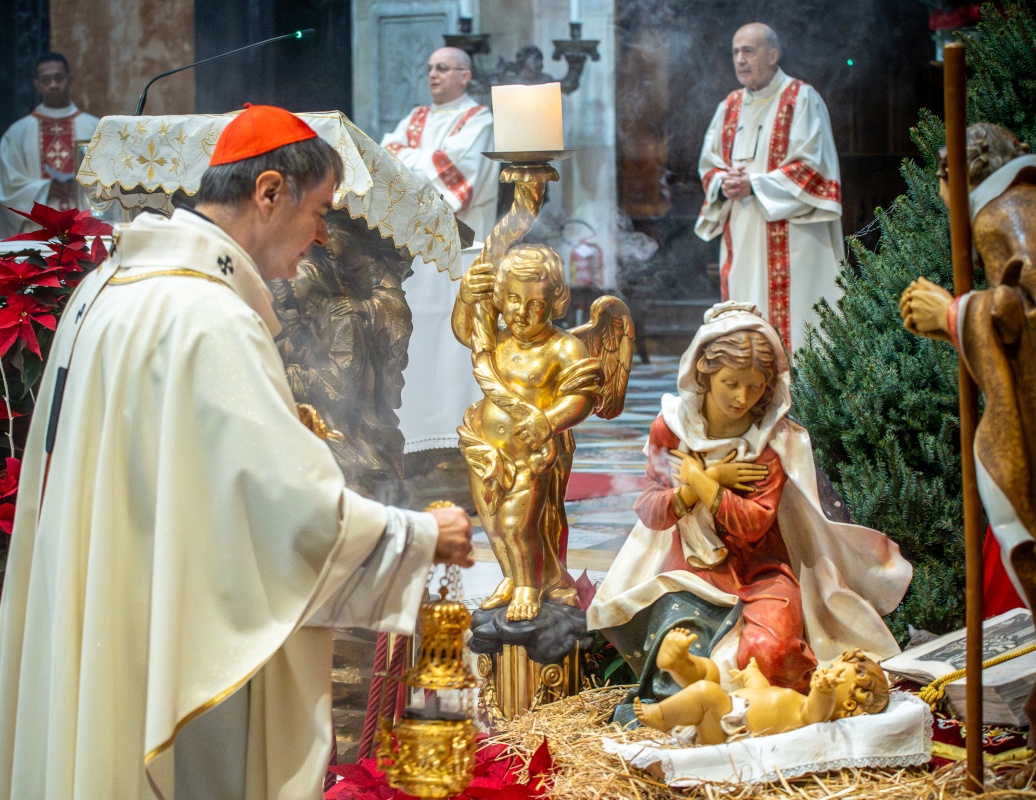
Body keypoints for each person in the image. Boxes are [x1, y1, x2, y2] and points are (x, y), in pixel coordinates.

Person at [0, 104, 474, 800]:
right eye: (318, 212)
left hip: (114, 607)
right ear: (270, 192)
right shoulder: (208, 316)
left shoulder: (106, 291)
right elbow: (287, 511)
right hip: (179, 639)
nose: (319, 238)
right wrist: (421, 535)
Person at [586, 302, 910, 696]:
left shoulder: (772, 441)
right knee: (681, 661)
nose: (743, 397)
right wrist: (700, 484)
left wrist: (706, 485)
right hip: (691, 571)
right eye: (732, 383)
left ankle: (781, 710)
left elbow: (755, 524)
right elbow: (650, 510)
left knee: (767, 654)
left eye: (755, 386)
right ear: (704, 372)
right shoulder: (671, 429)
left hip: (763, 573)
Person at [695, 23, 844, 353]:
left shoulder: (801, 99)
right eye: (735, 51)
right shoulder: (729, 107)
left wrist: (754, 185)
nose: (740, 59)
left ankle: (806, 399)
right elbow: (710, 165)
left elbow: (814, 168)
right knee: (746, 324)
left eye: (749, 51)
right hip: (744, 234)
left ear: (773, 55)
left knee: (803, 328)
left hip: (795, 238)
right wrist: (724, 183)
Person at [382, 47, 499, 460]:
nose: (433, 75)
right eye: (430, 67)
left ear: (465, 76)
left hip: (459, 251)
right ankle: (412, 437)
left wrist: (410, 162)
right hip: (411, 250)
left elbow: (459, 173)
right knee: (414, 342)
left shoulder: (480, 120)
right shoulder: (414, 119)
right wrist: (424, 162)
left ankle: (457, 439)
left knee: (453, 344)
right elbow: (383, 159)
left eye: (443, 68)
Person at [633, 630, 889, 745]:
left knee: (706, 693)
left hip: (726, 734)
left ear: (850, 705)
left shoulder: (812, 718)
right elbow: (764, 693)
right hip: (727, 710)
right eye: (831, 667)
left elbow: (818, 713)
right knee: (709, 672)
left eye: (834, 676)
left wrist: (824, 692)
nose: (825, 672)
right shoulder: (796, 698)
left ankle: (662, 717)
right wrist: (752, 676)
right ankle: (679, 663)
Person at [0, 52, 100, 238]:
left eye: (58, 78)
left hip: (86, 230)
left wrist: (81, 186)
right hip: (36, 230)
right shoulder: (17, 133)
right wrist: (46, 188)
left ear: (69, 79)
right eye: (46, 80)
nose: (53, 85)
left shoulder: (96, 127)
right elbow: (7, 187)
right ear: (36, 84)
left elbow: (110, 179)